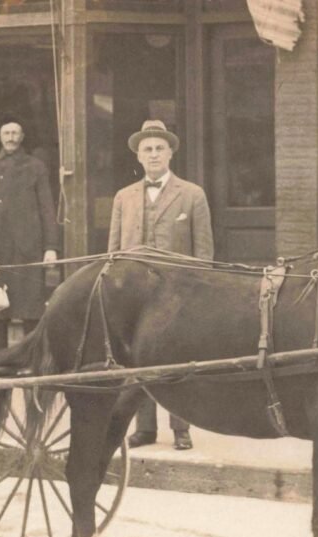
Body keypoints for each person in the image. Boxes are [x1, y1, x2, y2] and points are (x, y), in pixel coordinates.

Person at [108, 120, 214, 450]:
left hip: (177, 296)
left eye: (159, 148)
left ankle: (181, 428)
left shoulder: (192, 195)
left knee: (178, 360)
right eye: (147, 149)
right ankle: (145, 429)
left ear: (170, 154)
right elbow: (113, 251)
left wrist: (199, 293)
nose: (153, 154)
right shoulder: (123, 197)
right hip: (136, 297)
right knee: (138, 360)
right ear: (139, 157)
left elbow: (205, 253)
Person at [0, 115, 60, 351]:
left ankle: (32, 359)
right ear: (0, 136)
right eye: (6, 133)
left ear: (22, 137)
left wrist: (51, 246)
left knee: (30, 309)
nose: (10, 138)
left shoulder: (36, 167)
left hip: (27, 249)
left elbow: (47, 208)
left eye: (15, 133)